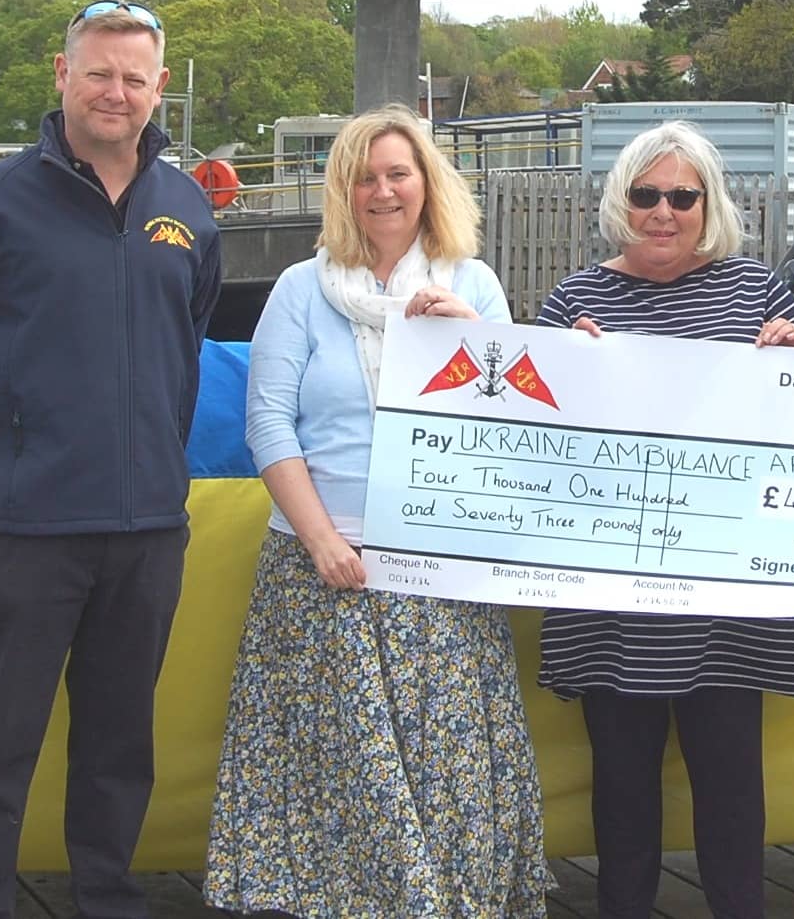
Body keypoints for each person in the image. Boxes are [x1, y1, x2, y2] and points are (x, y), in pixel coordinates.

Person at [0, 0, 222, 919]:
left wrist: (149, 454)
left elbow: (186, 352)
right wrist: (15, 448)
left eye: (134, 76)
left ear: (159, 86)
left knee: (121, 746)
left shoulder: (188, 207)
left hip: (149, 529)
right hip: (25, 527)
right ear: (63, 72)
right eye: (99, 71)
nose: (115, 91)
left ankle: (108, 899)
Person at [202, 104, 553, 918]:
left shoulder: (475, 282)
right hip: (324, 569)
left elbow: (518, 422)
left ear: (426, 183)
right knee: (339, 771)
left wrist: (474, 337)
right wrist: (321, 539)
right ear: (343, 190)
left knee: (443, 767)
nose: (383, 190)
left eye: (399, 172)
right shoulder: (299, 289)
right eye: (365, 175)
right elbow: (268, 421)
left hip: (439, 569)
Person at [537, 120, 794, 919]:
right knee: (623, 795)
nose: (663, 211)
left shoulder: (758, 292)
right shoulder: (573, 301)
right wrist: (566, 371)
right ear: (621, 201)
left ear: (709, 203)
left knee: (733, 793)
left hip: (724, 594)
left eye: (682, 195)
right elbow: (528, 447)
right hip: (612, 595)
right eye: (646, 195)